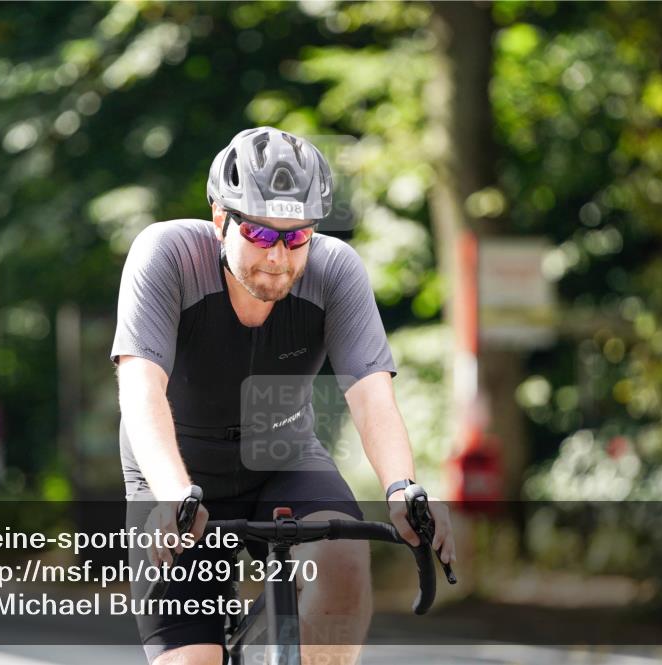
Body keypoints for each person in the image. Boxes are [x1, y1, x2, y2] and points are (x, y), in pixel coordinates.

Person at [112, 126, 456, 665]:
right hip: (175, 468)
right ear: (221, 220)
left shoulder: (335, 269)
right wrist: (172, 492)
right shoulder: (168, 255)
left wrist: (401, 487)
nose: (278, 256)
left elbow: (371, 395)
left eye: (297, 238)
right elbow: (140, 386)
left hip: (283, 457)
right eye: (260, 234)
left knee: (343, 561)